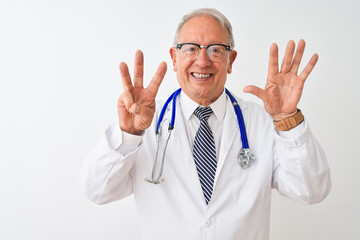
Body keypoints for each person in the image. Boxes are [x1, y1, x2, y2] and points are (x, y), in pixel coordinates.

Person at [79, 8, 331, 240]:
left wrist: (287, 120)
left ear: (231, 60)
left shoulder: (263, 122)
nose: (202, 61)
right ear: (174, 58)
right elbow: (96, 190)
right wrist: (129, 134)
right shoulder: (143, 124)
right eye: (190, 48)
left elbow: (312, 190)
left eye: (216, 49)